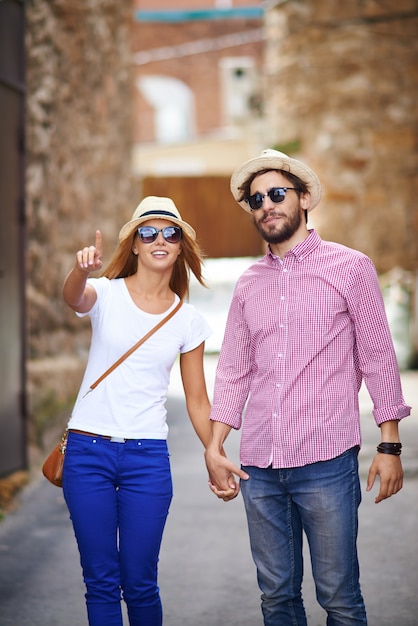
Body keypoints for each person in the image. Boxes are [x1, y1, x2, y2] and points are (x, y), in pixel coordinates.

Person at [204, 149, 411, 626]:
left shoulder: (351, 267)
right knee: (276, 598)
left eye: (277, 194)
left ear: (303, 199)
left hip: (326, 462)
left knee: (339, 597)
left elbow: (377, 356)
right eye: (257, 200)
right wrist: (216, 447)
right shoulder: (247, 284)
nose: (267, 206)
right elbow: (233, 370)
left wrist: (390, 444)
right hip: (259, 466)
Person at [62, 196, 213, 626]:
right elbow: (74, 297)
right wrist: (80, 271)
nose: (159, 239)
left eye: (171, 232)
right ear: (134, 245)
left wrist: (214, 450)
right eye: (148, 232)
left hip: (147, 459)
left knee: (141, 581)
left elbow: (198, 399)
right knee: (101, 581)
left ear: (181, 246)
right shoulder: (106, 293)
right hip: (87, 453)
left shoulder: (188, 321)